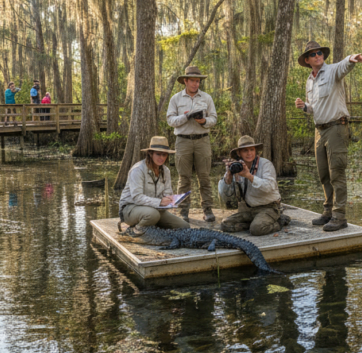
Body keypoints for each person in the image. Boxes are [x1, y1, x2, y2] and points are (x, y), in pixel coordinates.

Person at [294, 40, 362, 231]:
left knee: (337, 173)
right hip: (319, 130)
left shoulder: (333, 70)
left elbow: (344, 66)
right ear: (307, 60)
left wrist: (352, 58)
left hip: (336, 128)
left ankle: (340, 216)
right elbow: (314, 108)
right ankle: (328, 212)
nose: (318, 56)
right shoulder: (309, 81)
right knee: (324, 174)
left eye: (320, 53)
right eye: (313, 54)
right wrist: (304, 107)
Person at [166, 66, 218, 223]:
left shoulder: (207, 98)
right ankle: (183, 211)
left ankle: (207, 210)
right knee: (184, 178)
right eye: (193, 81)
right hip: (183, 141)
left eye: (198, 81)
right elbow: (170, 120)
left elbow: (214, 119)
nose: (196, 84)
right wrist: (185, 116)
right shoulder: (176, 98)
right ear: (185, 81)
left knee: (204, 177)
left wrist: (204, 121)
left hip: (202, 140)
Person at [117, 136, 191, 236]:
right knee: (152, 215)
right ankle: (133, 231)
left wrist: (171, 199)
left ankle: (150, 227)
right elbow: (137, 197)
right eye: (158, 154)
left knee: (184, 227)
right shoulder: (138, 170)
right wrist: (160, 202)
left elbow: (168, 192)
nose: (161, 158)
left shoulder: (166, 171)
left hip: (155, 209)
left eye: (164, 155)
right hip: (130, 209)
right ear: (150, 154)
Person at [218, 135, 283, 236]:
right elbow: (225, 196)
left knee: (257, 229)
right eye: (245, 151)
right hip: (248, 209)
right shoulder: (236, 166)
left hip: (268, 207)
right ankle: (255, 223)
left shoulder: (266, 164)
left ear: (255, 150)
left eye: (251, 150)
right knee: (225, 224)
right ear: (239, 153)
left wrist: (249, 176)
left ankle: (280, 222)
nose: (249, 153)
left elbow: (269, 187)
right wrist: (228, 176)